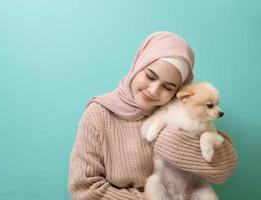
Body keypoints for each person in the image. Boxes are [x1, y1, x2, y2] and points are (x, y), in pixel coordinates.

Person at [68, 31, 237, 200]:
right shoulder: (99, 114)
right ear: (137, 65)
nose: (153, 90)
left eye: (168, 87)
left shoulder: (183, 116)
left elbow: (222, 171)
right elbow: (85, 189)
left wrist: (181, 143)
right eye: (150, 76)